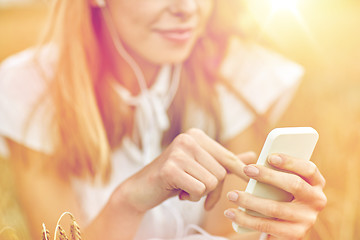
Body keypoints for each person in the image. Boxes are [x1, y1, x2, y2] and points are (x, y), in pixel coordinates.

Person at [0, 0, 327, 239]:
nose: (188, 8)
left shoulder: (238, 76)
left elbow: (229, 232)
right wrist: (128, 200)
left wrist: (270, 233)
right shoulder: (31, 90)